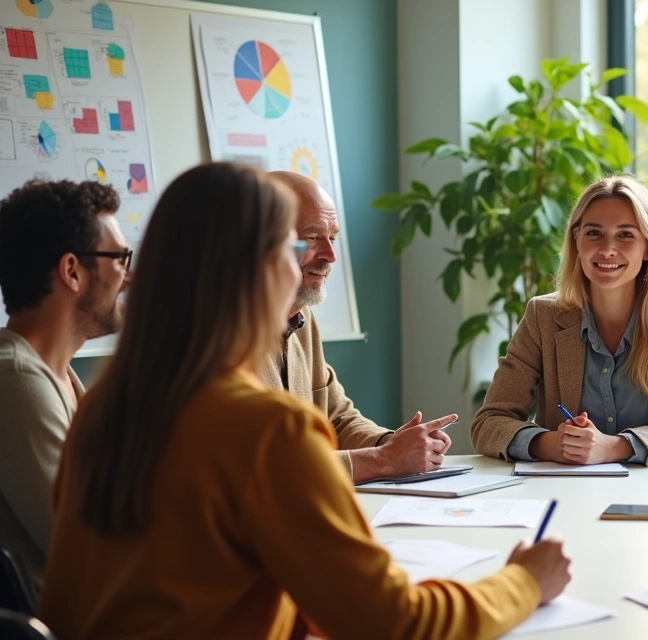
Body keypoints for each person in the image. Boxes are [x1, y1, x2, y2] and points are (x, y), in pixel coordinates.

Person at [38, 163, 571, 639]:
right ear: (256, 268)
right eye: (293, 250)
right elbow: (396, 624)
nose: (307, 267)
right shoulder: (266, 428)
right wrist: (523, 582)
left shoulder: (103, 407)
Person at [471, 175, 648, 466]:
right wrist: (549, 444)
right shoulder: (543, 316)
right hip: (569, 492)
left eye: (626, 235)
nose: (607, 249)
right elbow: (488, 423)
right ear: (576, 241)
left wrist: (615, 447)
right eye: (594, 233)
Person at [261, 171, 452, 484]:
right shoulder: (218, 338)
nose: (330, 255)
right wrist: (385, 460)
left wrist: (390, 443)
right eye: (312, 237)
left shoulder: (303, 320)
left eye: (332, 238)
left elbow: (337, 418)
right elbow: (267, 466)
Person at [0, 179, 130, 599]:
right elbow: (89, 547)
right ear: (72, 271)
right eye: (119, 259)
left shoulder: (59, 378)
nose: (127, 279)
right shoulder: (14, 380)